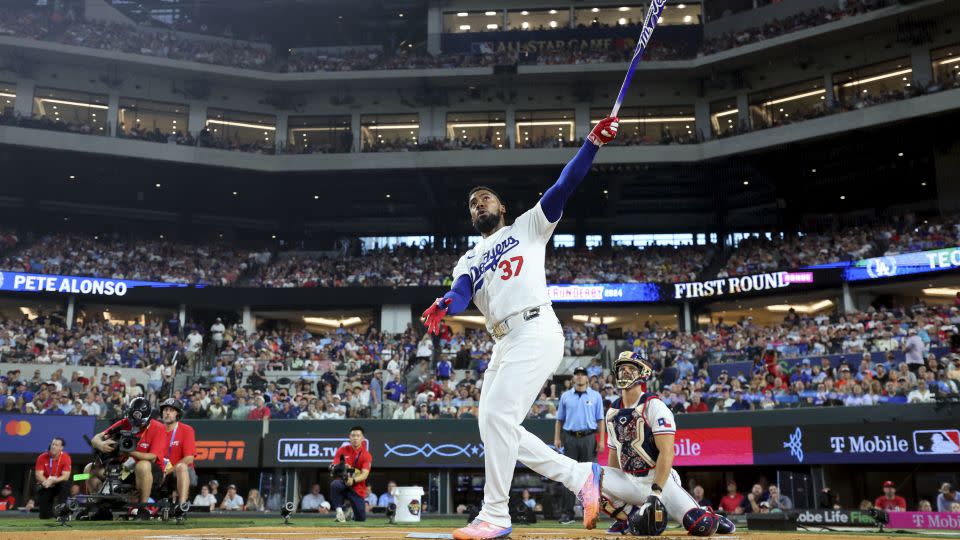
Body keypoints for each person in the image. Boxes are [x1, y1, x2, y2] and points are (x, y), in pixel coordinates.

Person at [420, 116, 622, 540]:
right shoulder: (469, 259)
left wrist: (591, 144)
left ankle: (495, 514)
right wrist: (445, 304)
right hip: (503, 341)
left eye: (486, 198)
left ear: (502, 207)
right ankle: (580, 476)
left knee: (496, 417)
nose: (479, 204)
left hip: (535, 328)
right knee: (494, 425)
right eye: (473, 202)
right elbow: (460, 293)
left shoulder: (527, 227)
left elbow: (564, 185)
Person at [547, 351, 735, 536]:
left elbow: (667, 452)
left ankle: (712, 517)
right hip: (630, 479)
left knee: (700, 526)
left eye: (631, 368)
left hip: (659, 480)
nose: (625, 372)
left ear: (643, 373)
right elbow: (614, 454)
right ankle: (626, 520)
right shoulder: (612, 411)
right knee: (591, 478)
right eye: (622, 368)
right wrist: (611, 489)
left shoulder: (655, 406)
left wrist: (656, 492)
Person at [85, 397, 166, 516]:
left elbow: (152, 457)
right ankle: (99, 509)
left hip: (151, 472)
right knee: (88, 470)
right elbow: (95, 438)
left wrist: (130, 453)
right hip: (124, 469)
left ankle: (142, 510)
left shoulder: (158, 427)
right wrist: (100, 444)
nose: (135, 425)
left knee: (142, 465)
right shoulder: (124, 423)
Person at [554, 366, 605, 524]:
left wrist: (602, 440)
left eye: (583, 375)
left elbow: (600, 420)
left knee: (588, 476)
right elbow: (559, 419)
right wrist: (557, 437)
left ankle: (588, 512)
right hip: (569, 438)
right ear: (573, 378)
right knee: (569, 475)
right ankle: (566, 514)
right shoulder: (565, 396)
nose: (580, 377)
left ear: (587, 378)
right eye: (578, 374)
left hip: (589, 438)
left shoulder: (596, 396)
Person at [329, 426, 372, 523]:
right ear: (349, 437)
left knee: (361, 518)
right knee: (335, 485)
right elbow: (334, 465)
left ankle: (350, 512)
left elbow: (365, 475)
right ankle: (339, 511)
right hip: (343, 482)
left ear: (362, 438)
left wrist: (353, 480)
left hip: (357, 486)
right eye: (353, 435)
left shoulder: (366, 455)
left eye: (358, 436)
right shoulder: (342, 450)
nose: (355, 438)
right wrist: (341, 467)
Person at [159, 398, 197, 507]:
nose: (167, 413)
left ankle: (182, 506)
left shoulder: (186, 430)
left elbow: (189, 458)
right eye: (165, 410)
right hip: (161, 472)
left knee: (181, 466)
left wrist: (167, 471)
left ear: (178, 414)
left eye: (171, 410)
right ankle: (140, 507)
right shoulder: (157, 430)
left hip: (181, 472)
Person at [35, 437, 72, 519]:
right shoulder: (42, 457)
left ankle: (63, 512)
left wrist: (54, 480)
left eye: (56, 445)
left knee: (66, 483)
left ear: (61, 448)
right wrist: (47, 482)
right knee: (44, 516)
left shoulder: (66, 457)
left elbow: (66, 476)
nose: (53, 447)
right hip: (46, 484)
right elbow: (38, 475)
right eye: (52, 444)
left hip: (59, 483)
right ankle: (47, 515)